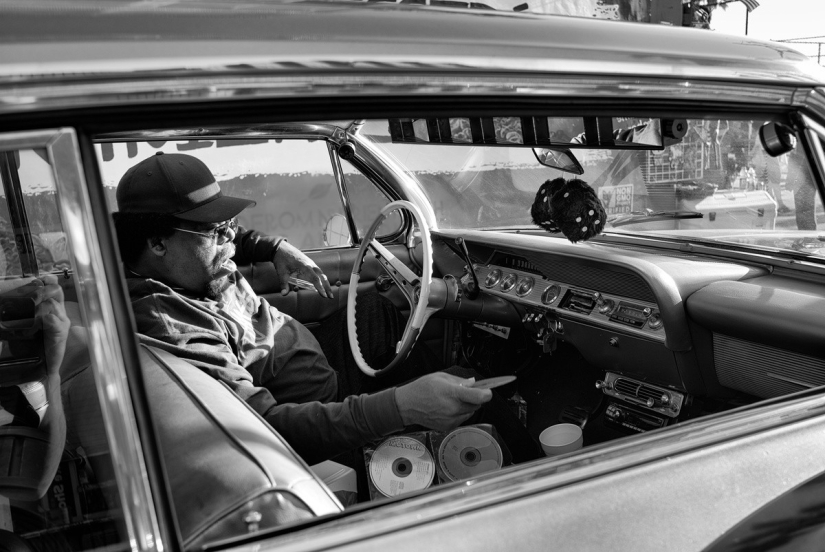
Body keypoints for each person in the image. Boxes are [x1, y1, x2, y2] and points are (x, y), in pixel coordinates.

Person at [113, 152, 539, 468]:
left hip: (315, 366)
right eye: (215, 229)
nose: (230, 239)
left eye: (228, 224)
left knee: (376, 308)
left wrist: (274, 247)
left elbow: (232, 237)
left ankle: (441, 404)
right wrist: (399, 407)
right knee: (471, 399)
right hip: (313, 420)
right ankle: (542, 474)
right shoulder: (169, 323)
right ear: (157, 243)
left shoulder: (183, 256)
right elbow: (263, 427)